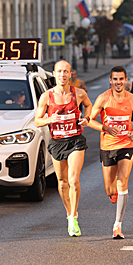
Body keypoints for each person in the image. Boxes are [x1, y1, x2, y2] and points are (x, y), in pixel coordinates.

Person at [34, 60, 93, 237]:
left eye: (66, 71)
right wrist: (50, 120)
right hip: (57, 142)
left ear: (70, 74)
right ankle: (69, 214)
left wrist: (87, 119)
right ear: (54, 74)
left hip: (75, 140)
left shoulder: (79, 93)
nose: (62, 74)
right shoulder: (47, 96)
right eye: (59, 71)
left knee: (74, 180)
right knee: (62, 182)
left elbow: (89, 106)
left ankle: (74, 216)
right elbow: (37, 120)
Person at [88, 66, 133, 239]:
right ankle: (115, 195)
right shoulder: (103, 98)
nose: (118, 82)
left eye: (121, 79)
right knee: (110, 189)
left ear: (126, 80)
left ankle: (117, 225)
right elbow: (89, 121)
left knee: (122, 182)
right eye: (115, 79)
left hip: (126, 145)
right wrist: (104, 127)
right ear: (110, 81)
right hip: (108, 146)